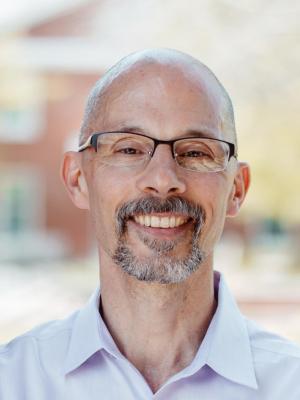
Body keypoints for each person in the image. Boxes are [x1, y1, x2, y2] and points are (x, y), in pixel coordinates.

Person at [0, 48, 299, 399]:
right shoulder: (12, 381)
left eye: (196, 152)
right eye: (129, 149)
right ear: (78, 179)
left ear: (236, 189)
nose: (162, 178)